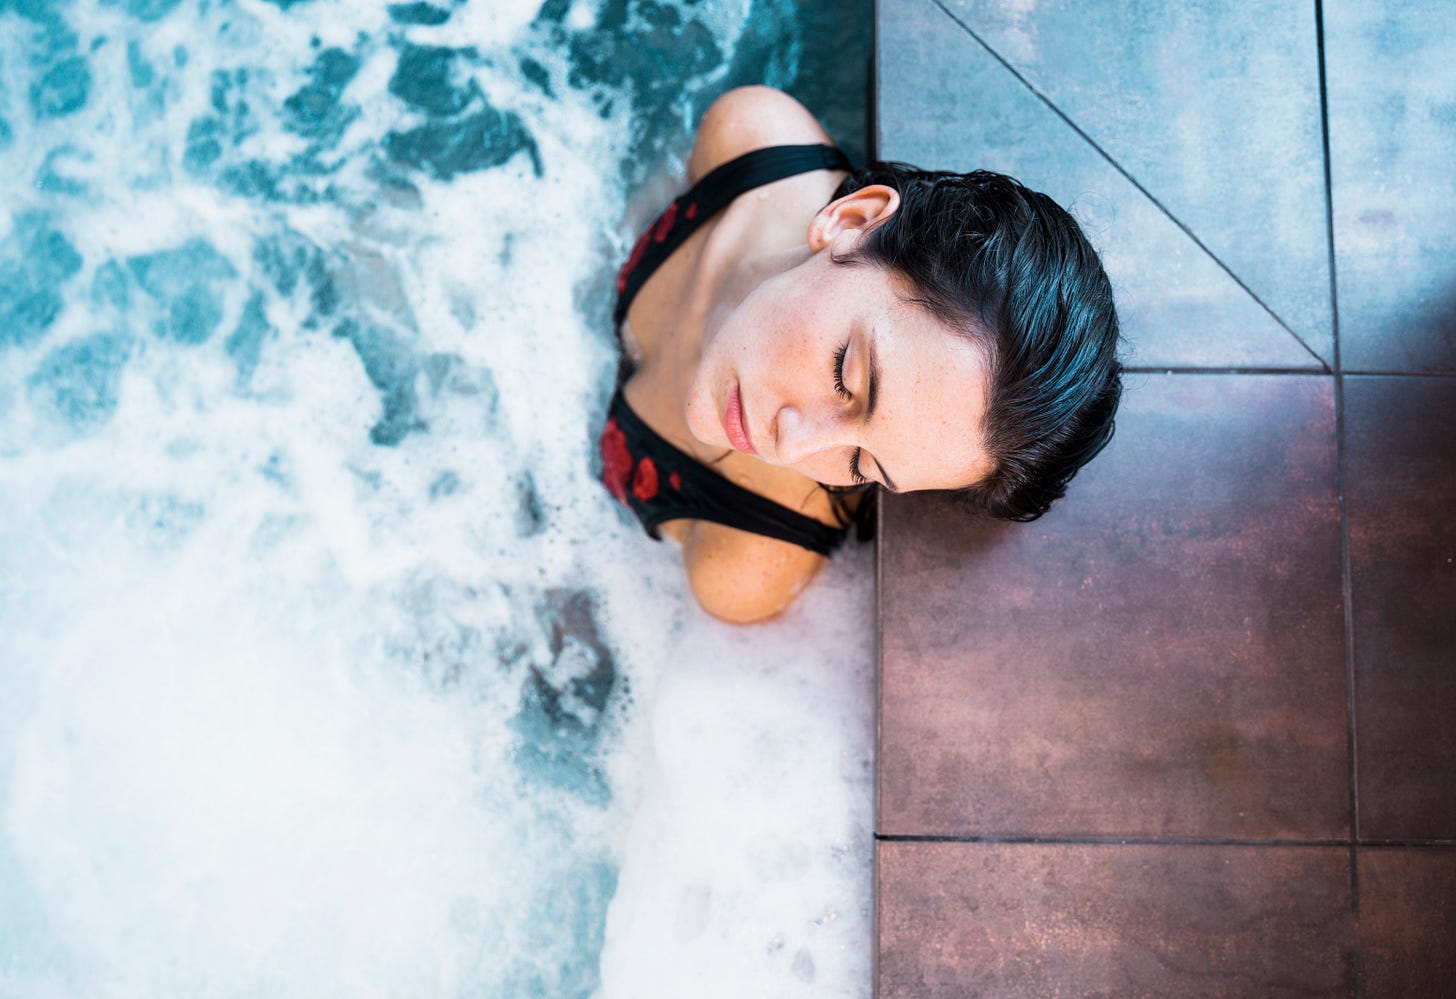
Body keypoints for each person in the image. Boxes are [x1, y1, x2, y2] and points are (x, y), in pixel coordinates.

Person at [599, 86, 1122, 624]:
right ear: (852, 223)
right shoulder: (753, 138)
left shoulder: (739, 561)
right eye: (844, 376)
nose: (794, 443)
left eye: (860, 465)